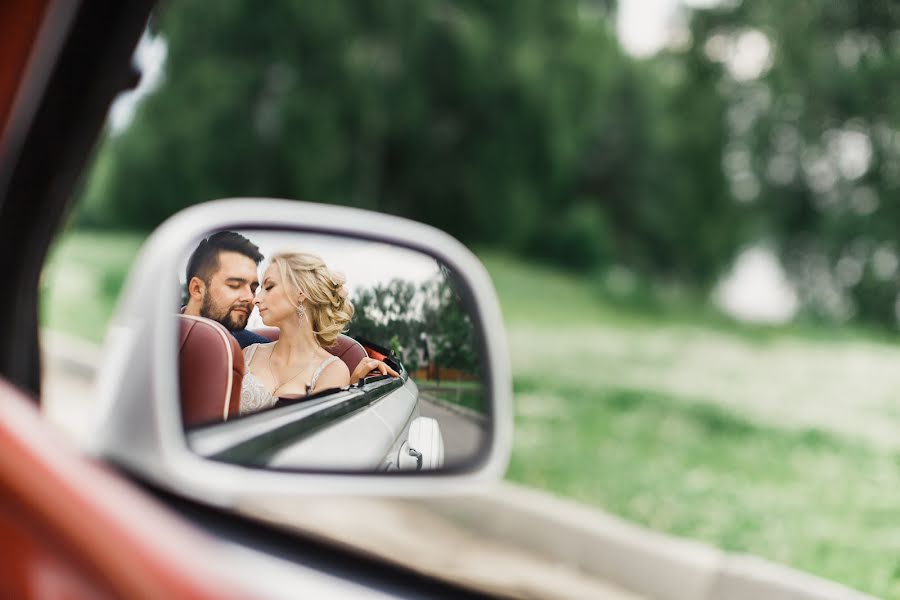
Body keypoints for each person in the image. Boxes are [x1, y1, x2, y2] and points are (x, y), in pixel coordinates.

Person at [240, 251, 397, 415]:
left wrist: (349, 390)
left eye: (269, 287)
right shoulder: (248, 354)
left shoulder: (333, 371)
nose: (255, 299)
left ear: (301, 292)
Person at [183, 231, 270, 348]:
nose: (250, 298)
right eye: (235, 285)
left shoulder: (258, 351)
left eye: (253, 289)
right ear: (197, 289)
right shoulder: (156, 334)